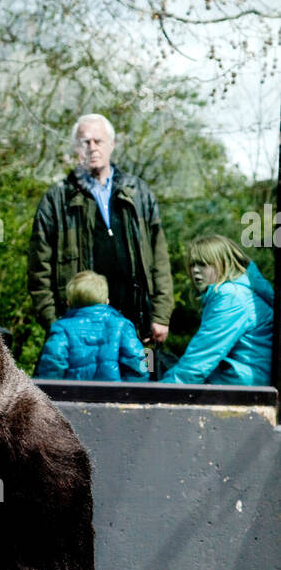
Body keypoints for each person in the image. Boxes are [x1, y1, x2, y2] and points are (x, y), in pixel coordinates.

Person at [28, 114, 174, 352]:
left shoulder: (139, 193)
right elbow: (38, 273)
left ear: (112, 145)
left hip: (139, 327)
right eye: (85, 142)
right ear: (76, 148)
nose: (92, 148)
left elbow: (159, 259)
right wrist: (55, 325)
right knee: (87, 388)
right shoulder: (56, 200)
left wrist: (161, 315)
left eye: (99, 141)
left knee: (143, 381)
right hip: (79, 332)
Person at [162, 235, 274, 385]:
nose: (195, 270)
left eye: (203, 264)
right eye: (192, 264)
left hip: (242, 383)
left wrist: (162, 392)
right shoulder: (235, 292)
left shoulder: (231, 296)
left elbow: (202, 357)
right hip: (243, 378)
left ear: (223, 264)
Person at [36, 270, 150, 381]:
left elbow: (52, 366)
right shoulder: (122, 325)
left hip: (72, 397)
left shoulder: (62, 328)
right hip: (113, 397)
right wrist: (126, 395)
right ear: (107, 301)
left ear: (68, 302)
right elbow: (139, 363)